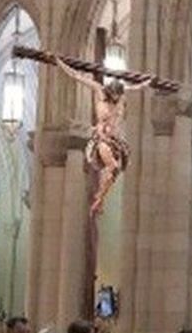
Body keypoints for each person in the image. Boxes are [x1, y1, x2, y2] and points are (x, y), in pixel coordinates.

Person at [52, 55, 160, 216]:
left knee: (113, 171)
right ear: (110, 92)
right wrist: (58, 62)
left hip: (115, 140)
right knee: (113, 167)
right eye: (115, 96)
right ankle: (98, 200)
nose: (117, 99)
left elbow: (137, 87)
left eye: (119, 97)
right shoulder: (99, 91)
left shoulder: (121, 96)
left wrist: (148, 82)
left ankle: (99, 198)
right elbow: (76, 76)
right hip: (101, 139)